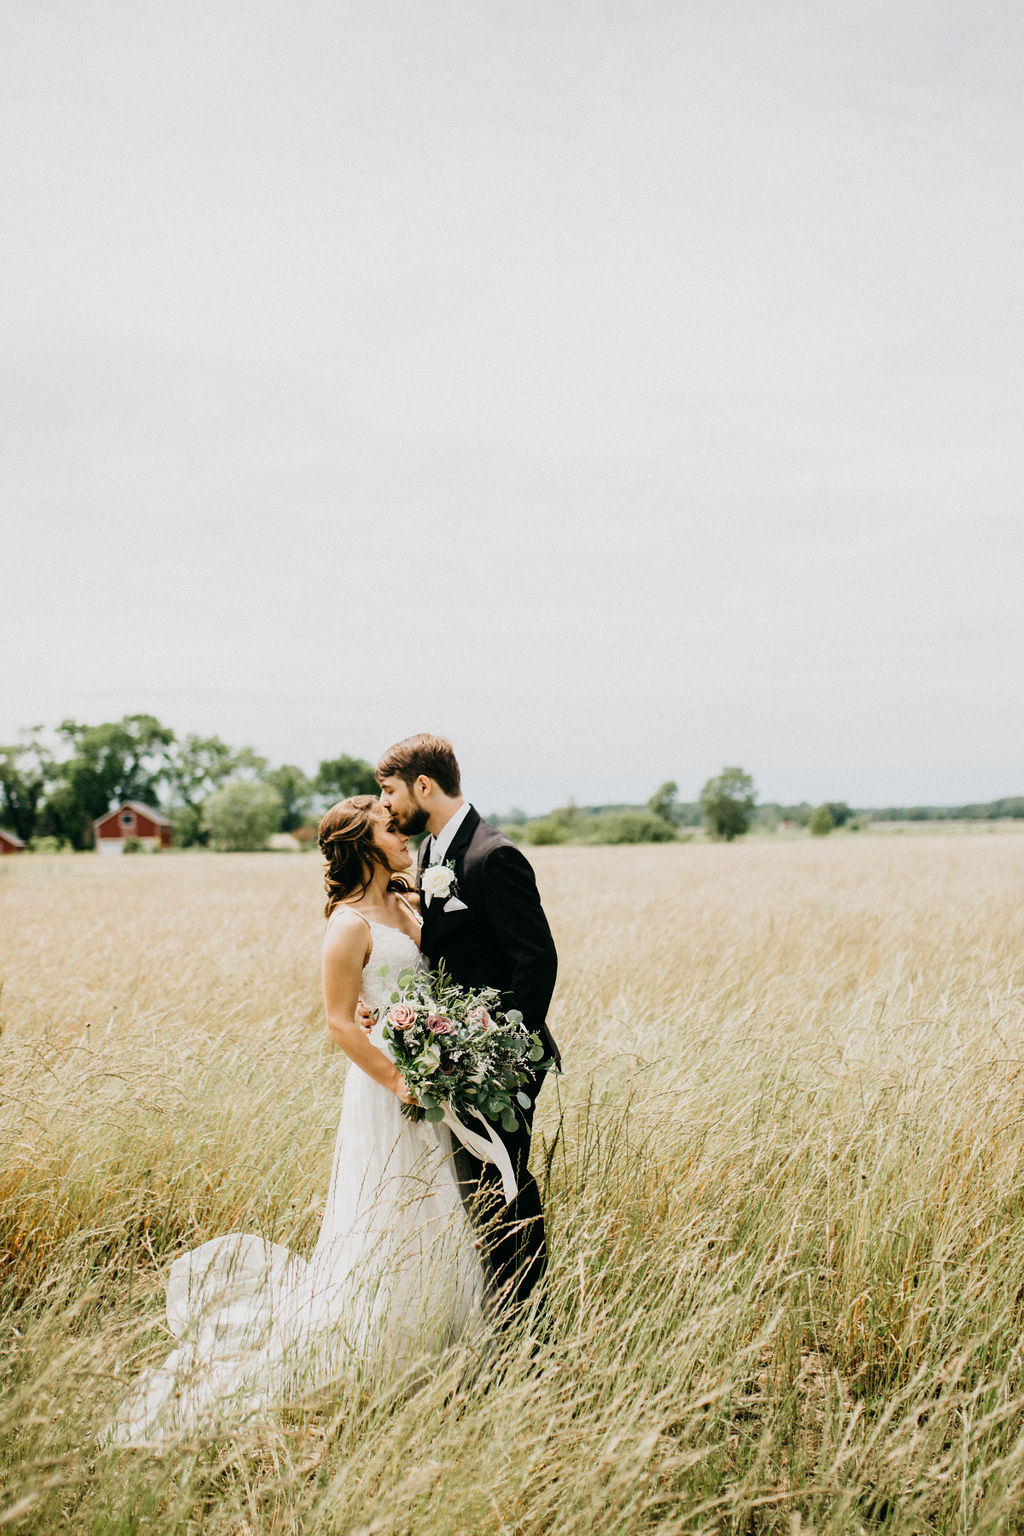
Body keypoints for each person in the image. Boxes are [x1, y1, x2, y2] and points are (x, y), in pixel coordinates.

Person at [108, 797, 482, 1445]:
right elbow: (340, 1020)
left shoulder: (410, 902)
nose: (404, 835)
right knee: (391, 1202)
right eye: (391, 829)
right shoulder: (348, 924)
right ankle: (384, 1338)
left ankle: (447, 1329)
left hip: (432, 1076)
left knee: (441, 1201)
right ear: (361, 845)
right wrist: (399, 1080)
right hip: (387, 1084)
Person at [376, 734, 559, 1319]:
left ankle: (526, 1327)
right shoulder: (432, 855)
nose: (386, 806)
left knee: (504, 1189)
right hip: (457, 1059)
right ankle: (496, 1317)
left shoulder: (491, 854)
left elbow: (537, 960)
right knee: (475, 1196)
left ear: (422, 785)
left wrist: (503, 1056)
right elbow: (445, 957)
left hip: (499, 1063)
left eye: (389, 791)